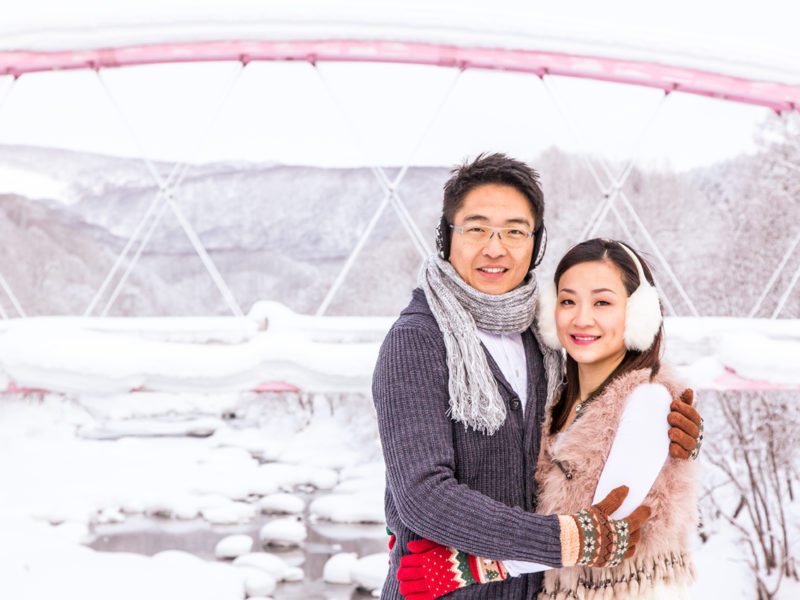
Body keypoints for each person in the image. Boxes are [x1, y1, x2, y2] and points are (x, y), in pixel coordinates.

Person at [372, 154, 703, 599]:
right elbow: (423, 495)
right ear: (445, 237)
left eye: (514, 231)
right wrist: (562, 541)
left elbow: (593, 421)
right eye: (476, 228)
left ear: (536, 243)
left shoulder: (542, 340)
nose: (495, 248)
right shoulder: (418, 341)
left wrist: (672, 441)